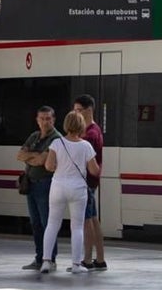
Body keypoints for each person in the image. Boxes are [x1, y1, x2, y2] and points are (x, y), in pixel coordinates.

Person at [39, 111, 100, 274]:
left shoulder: (56, 143)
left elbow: (48, 166)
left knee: (52, 224)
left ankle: (46, 261)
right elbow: (94, 170)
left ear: (66, 125)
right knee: (77, 227)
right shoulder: (86, 146)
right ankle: (75, 264)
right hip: (78, 190)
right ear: (81, 126)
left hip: (58, 187)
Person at [16, 106, 62, 270]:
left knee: (47, 222)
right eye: (42, 118)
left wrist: (31, 156)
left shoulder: (56, 138)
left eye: (48, 119)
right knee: (35, 223)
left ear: (54, 119)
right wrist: (34, 156)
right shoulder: (34, 136)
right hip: (31, 184)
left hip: (46, 184)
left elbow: (42, 161)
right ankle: (39, 258)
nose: (45, 122)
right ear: (37, 120)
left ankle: (50, 258)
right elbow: (19, 155)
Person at [73, 94, 107, 271]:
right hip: (91, 182)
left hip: (86, 183)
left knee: (87, 221)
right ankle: (100, 259)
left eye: (79, 110)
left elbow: (85, 161)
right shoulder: (94, 130)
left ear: (89, 110)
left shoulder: (90, 135)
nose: (76, 114)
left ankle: (87, 259)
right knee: (93, 220)